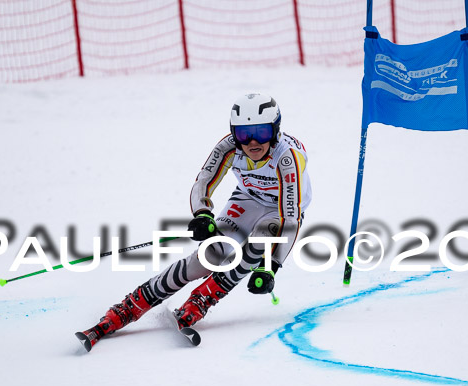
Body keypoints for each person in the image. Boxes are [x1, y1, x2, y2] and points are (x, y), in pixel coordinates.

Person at [75, 93, 312, 351]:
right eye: (244, 134)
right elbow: (202, 183)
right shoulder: (228, 148)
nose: (253, 142)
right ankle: (129, 306)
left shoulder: (287, 158)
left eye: (261, 132)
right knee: (210, 255)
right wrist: (202, 214)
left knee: (263, 238)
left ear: (275, 131)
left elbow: (291, 216)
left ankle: (202, 300)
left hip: (280, 207)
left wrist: (271, 266)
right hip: (246, 199)